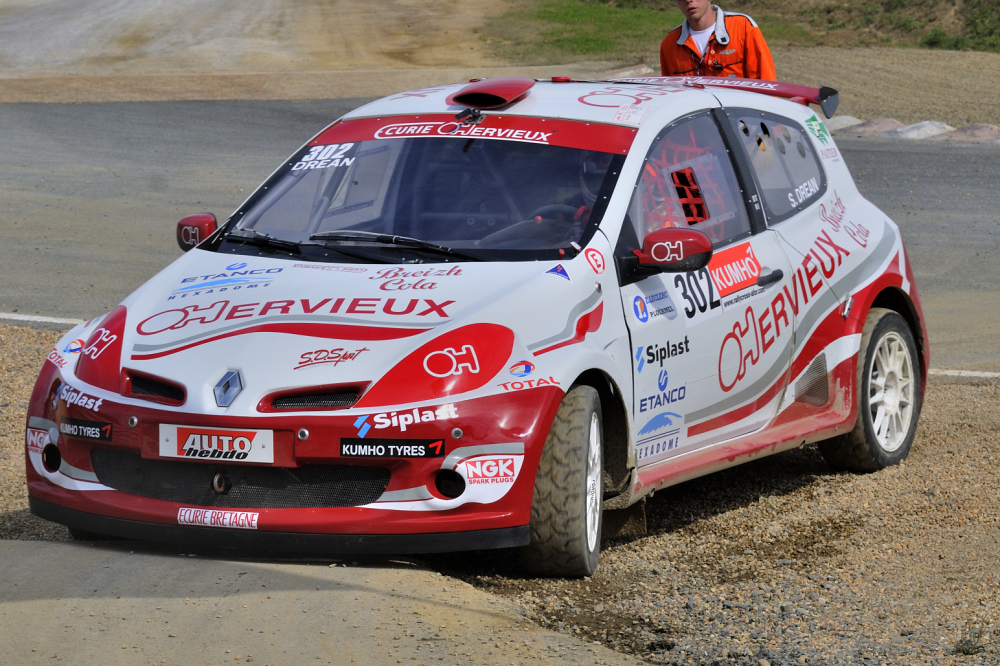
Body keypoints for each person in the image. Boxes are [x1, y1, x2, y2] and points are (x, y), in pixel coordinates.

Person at [660, 1, 776, 80]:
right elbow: (670, 95)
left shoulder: (743, 27)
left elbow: (766, 84)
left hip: (740, 115)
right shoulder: (669, 44)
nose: (688, 0)